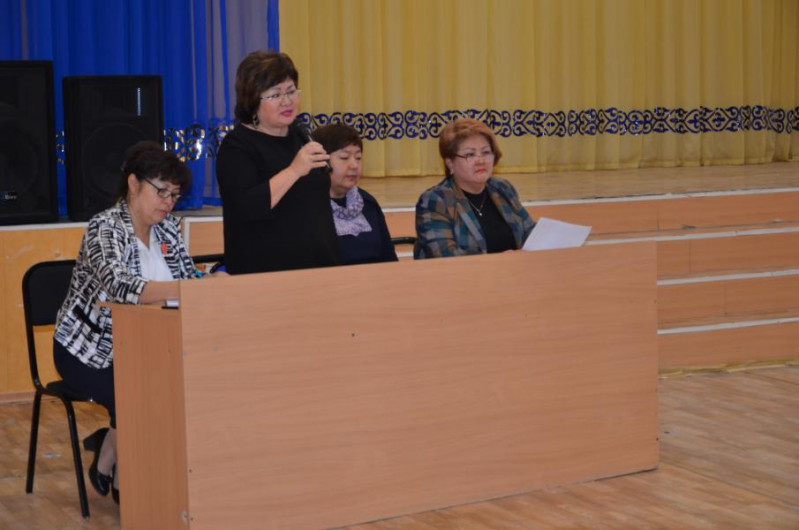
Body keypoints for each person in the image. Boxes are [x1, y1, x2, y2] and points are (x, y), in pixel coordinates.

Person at [53, 141, 202, 503]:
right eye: (161, 191)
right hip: (90, 350)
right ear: (134, 184)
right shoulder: (104, 228)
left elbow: (188, 278)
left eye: (174, 195)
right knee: (141, 395)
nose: (168, 202)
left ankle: (111, 454)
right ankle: (129, 483)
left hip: (149, 347)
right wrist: (185, 289)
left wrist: (208, 283)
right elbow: (120, 286)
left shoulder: (169, 230)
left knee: (182, 386)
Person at [216, 50, 339, 274]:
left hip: (321, 269)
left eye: (291, 91)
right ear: (252, 100)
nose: (287, 101)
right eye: (275, 95)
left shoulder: (301, 135)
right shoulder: (236, 147)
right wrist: (294, 170)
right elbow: (247, 208)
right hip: (265, 274)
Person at [414, 118, 535, 258]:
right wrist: (501, 260)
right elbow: (445, 255)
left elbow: (530, 231)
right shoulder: (436, 200)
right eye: (470, 154)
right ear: (450, 163)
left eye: (486, 152)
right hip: (461, 273)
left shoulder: (502, 188)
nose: (481, 161)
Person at [312, 123, 398, 265]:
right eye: (344, 158)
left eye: (358, 158)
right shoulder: (307, 208)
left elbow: (389, 259)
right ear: (320, 161)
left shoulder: (368, 203)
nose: (354, 165)